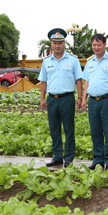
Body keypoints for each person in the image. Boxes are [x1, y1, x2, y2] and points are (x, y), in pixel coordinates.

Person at [38, 28, 83, 168]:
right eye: (54, 42)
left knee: (69, 129)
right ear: (51, 43)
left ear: (64, 43)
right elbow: (43, 81)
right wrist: (42, 98)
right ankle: (57, 156)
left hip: (67, 98)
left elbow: (79, 79)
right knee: (54, 129)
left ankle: (68, 157)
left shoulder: (73, 60)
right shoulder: (46, 61)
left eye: (60, 42)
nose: (57, 45)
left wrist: (80, 97)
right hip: (52, 99)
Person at [82, 34, 108, 171]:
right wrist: (83, 98)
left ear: (105, 45)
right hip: (93, 101)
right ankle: (98, 160)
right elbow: (87, 81)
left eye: (99, 44)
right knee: (95, 132)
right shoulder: (90, 61)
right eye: (94, 45)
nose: (96, 47)